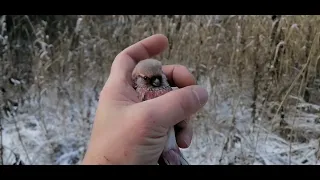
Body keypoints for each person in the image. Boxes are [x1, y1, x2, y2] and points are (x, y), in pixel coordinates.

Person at [81, 34, 208, 165]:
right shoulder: (135, 100)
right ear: (137, 80)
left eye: (160, 76)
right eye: (147, 79)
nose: (157, 81)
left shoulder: (168, 91)